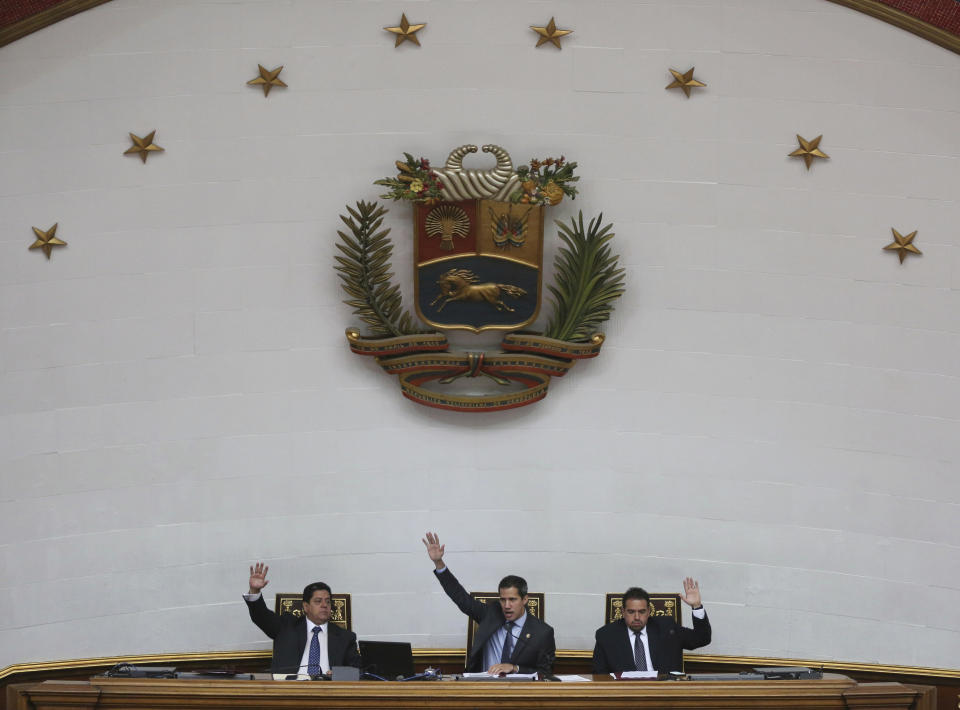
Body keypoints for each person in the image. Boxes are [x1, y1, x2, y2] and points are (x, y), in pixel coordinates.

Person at [422, 532, 556, 676]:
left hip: (518, 693)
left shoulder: (542, 632)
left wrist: (514, 667)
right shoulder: (491, 614)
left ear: (525, 599)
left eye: (512, 599)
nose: (506, 605)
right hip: (482, 687)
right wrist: (439, 563)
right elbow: (460, 597)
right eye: (503, 599)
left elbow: (545, 673)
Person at [243, 562, 361, 674]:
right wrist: (255, 591)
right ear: (306, 606)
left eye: (328, 602)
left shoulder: (345, 637)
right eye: (318, 601)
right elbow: (261, 616)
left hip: (328, 690)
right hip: (289, 689)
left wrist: (338, 675)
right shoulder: (286, 627)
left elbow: (357, 671)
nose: (324, 605)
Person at [592, 579, 711, 674]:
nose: (637, 617)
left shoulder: (666, 627)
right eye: (631, 612)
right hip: (626, 697)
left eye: (642, 612)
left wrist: (696, 606)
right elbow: (599, 675)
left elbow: (702, 638)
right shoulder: (606, 635)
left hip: (664, 695)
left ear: (649, 612)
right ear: (623, 612)